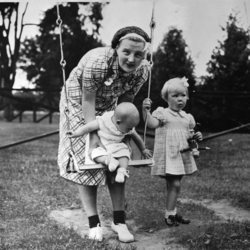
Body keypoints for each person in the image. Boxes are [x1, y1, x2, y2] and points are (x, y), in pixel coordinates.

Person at [58, 26, 151, 242]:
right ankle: (94, 222)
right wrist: (95, 137)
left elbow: (126, 104)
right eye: (126, 51)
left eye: (138, 54)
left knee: (118, 158)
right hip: (78, 101)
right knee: (90, 158)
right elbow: (88, 101)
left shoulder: (142, 71)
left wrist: (123, 133)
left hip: (110, 105)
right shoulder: (98, 62)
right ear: (116, 47)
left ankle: (119, 221)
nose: (131, 59)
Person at [142, 77, 203, 227]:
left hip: (182, 155)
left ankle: (172, 213)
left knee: (174, 184)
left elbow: (190, 135)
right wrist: (145, 111)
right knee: (175, 184)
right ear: (166, 98)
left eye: (182, 95)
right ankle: (169, 214)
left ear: (187, 97)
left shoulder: (187, 117)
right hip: (170, 155)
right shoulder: (163, 113)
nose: (179, 99)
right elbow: (151, 124)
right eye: (175, 96)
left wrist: (197, 136)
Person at [67, 102, 151, 183]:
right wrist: (75, 133)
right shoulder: (103, 121)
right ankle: (108, 160)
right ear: (118, 122)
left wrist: (143, 149)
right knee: (95, 153)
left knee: (125, 153)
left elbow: (137, 138)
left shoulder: (127, 125)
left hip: (117, 146)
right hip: (102, 146)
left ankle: (121, 171)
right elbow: (87, 128)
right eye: (129, 128)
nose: (131, 130)